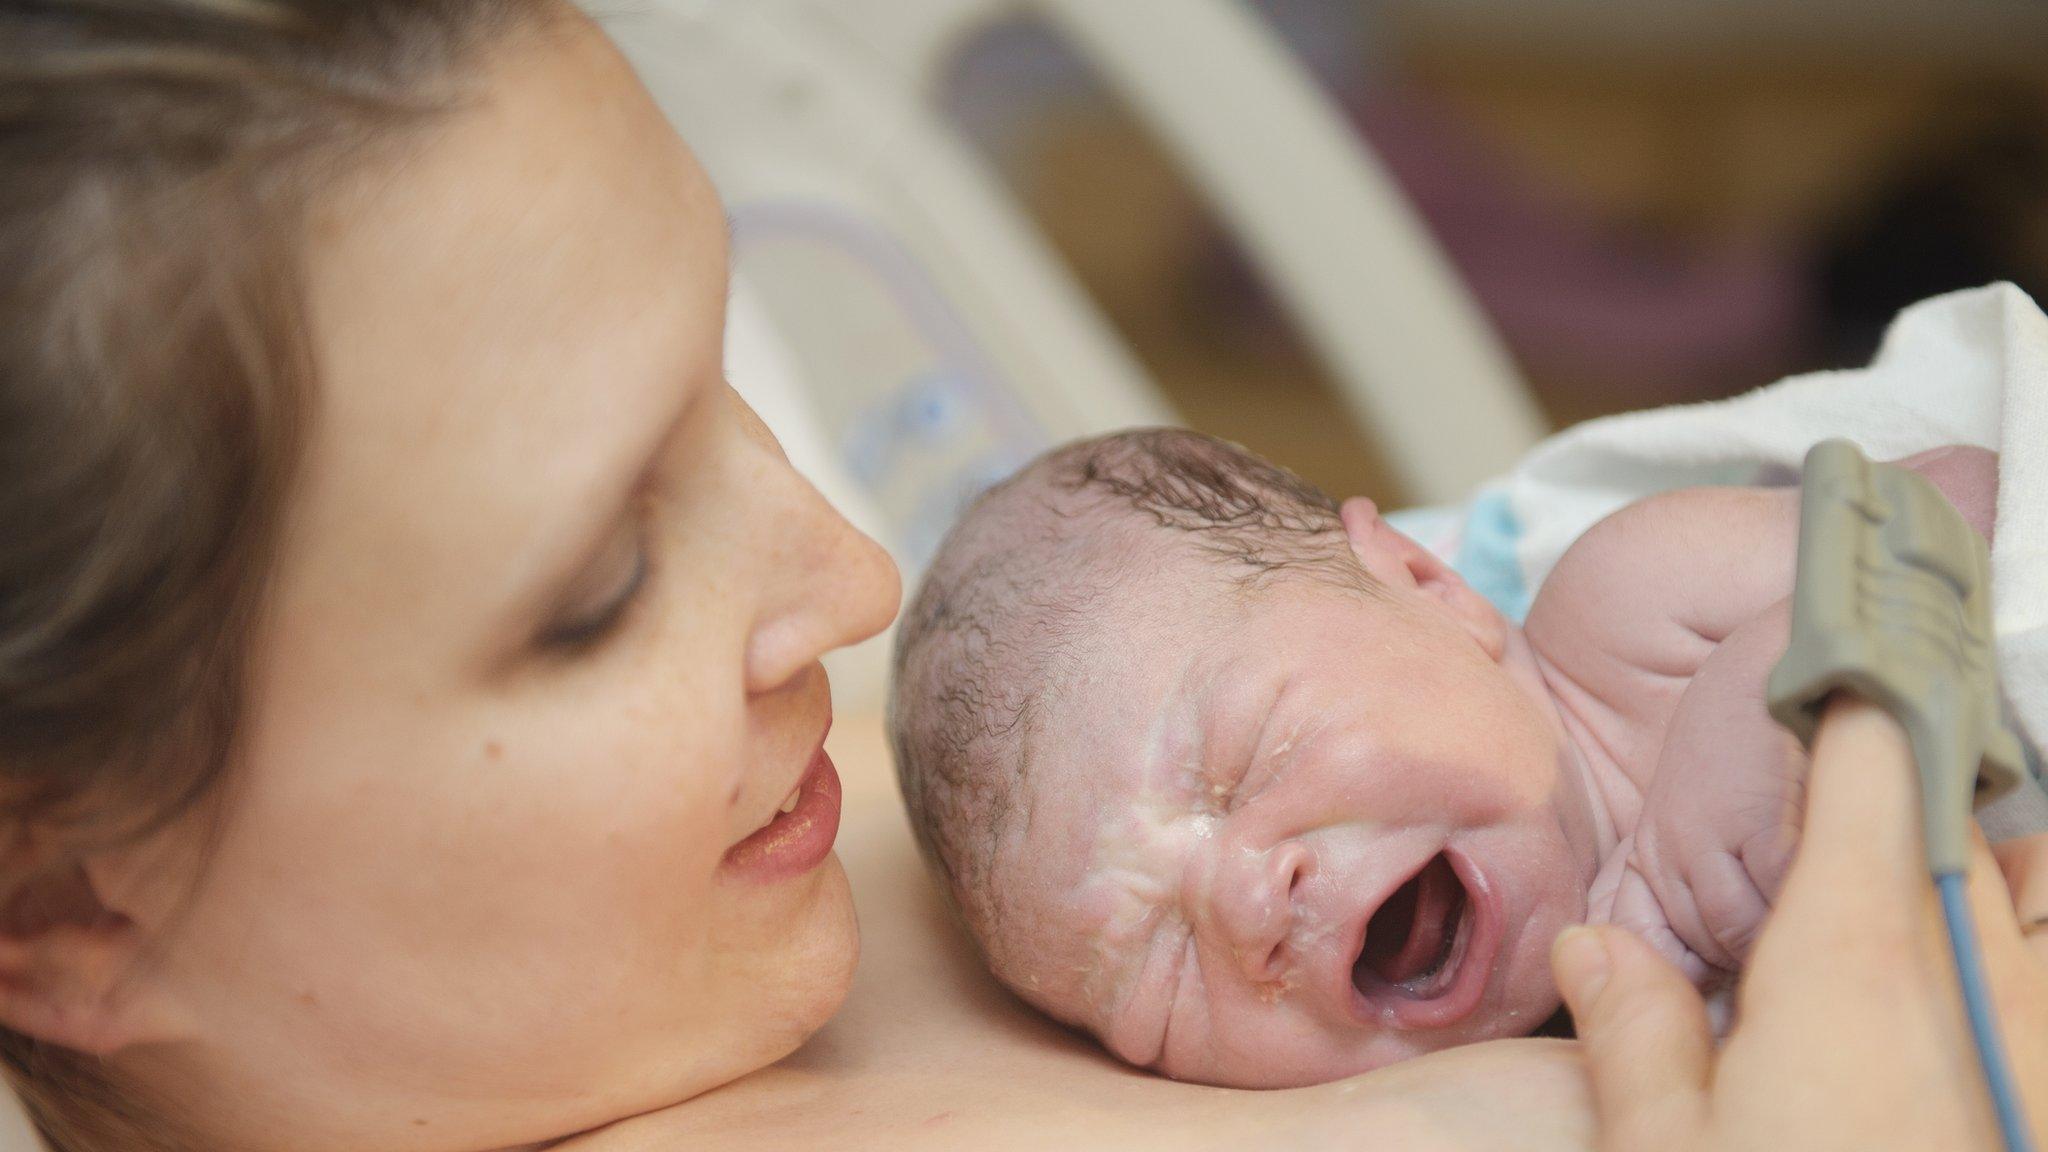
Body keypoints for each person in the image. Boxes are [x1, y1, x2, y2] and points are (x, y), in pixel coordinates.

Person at [0, 2, 2039, 1150]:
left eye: (728, 393)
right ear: (74, 898)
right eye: (602, 583)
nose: (850, 577)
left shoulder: (826, 807)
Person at [889, 426, 2009, 1086]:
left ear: (1433, 590)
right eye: (1158, 975)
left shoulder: (1632, 623)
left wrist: (1760, 695)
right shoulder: (1527, 1080)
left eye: (1244, 756)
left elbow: (1956, 496)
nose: (1242, 901)